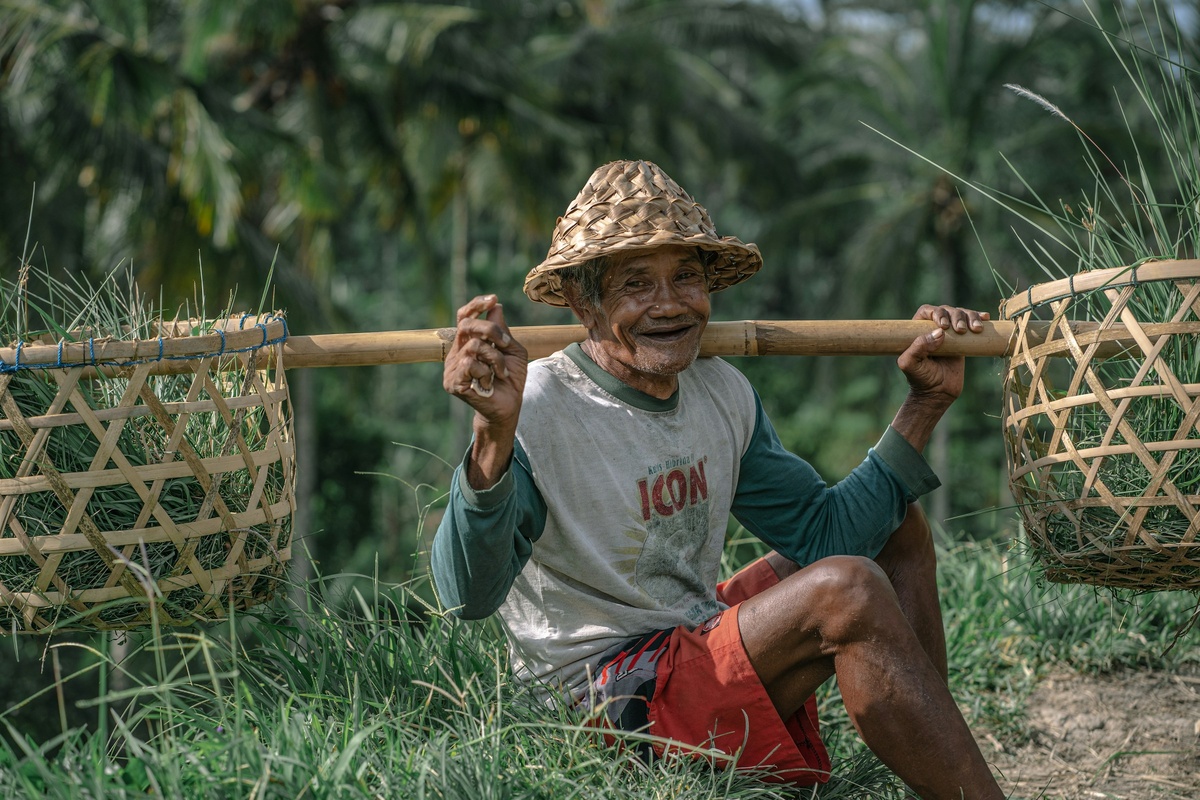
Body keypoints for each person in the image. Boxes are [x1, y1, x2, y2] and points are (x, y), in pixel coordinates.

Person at [431, 159, 1003, 798]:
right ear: (581, 302)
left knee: (894, 530)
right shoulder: (541, 410)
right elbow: (468, 598)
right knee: (847, 589)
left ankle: (941, 762)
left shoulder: (720, 391)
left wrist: (923, 408)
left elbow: (826, 533)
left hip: (688, 639)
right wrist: (491, 436)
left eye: (686, 277)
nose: (670, 304)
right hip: (601, 702)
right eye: (636, 284)